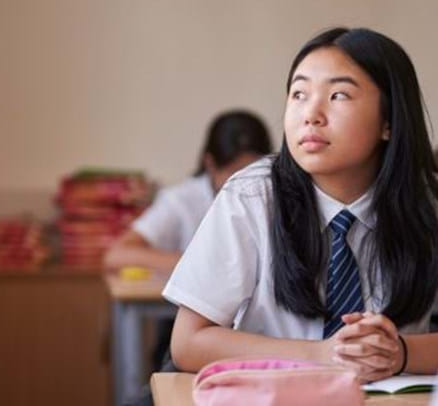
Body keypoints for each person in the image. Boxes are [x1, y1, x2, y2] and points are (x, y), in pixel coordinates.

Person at [163, 27, 438, 384]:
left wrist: (400, 353)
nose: (311, 114)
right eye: (299, 94)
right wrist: (324, 355)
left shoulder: (427, 203)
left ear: (389, 121)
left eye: (338, 95)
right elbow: (188, 343)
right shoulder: (253, 196)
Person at [105, 109, 272, 370]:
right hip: (192, 331)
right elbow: (117, 255)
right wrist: (194, 264)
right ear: (210, 164)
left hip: (255, 336)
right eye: (233, 172)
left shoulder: (273, 198)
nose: (245, 183)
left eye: (254, 171)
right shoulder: (181, 200)